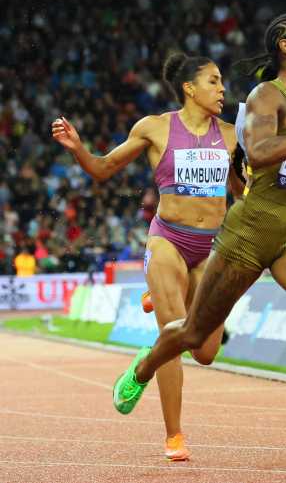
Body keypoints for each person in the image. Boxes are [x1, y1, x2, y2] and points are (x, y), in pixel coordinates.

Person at [111, 12, 286, 451]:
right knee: (192, 336)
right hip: (249, 232)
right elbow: (261, 153)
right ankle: (143, 370)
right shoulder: (268, 95)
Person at [52, 53, 242, 460]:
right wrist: (78, 148)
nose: (222, 88)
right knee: (174, 334)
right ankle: (174, 436)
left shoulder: (231, 135)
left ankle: (144, 359)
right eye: (213, 81)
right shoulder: (155, 128)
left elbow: (245, 189)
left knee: (206, 352)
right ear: (190, 88)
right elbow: (103, 169)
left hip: (209, 247)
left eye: (221, 81)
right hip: (169, 241)